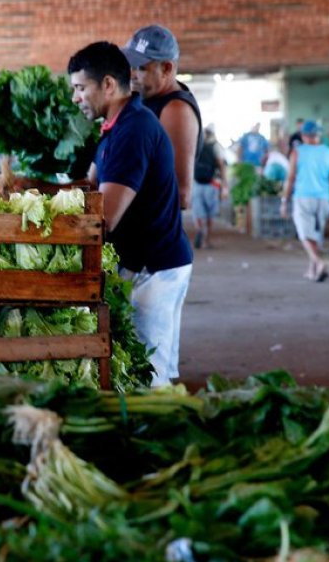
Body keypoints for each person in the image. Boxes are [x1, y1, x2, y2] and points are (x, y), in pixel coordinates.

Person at [69, 41, 192, 387]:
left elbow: (103, 217)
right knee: (147, 369)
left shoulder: (134, 130)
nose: (75, 97)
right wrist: (30, 188)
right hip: (143, 264)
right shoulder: (113, 128)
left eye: (80, 88)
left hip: (155, 268)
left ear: (108, 85)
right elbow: (88, 185)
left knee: (150, 377)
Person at [122, 24, 202, 210]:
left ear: (166, 68)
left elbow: (181, 194)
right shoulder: (150, 99)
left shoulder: (176, 110)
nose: (132, 75)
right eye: (131, 66)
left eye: (141, 68)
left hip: (154, 234)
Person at [280, 120, 329, 282]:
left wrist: (284, 201)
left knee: (304, 235)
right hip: (323, 198)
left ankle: (319, 263)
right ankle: (312, 270)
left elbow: (290, 178)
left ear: (303, 136)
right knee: (316, 235)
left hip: (303, 197)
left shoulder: (297, 152)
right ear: (319, 135)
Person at [192, 127, 228, 249]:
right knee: (210, 213)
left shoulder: (196, 145)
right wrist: (224, 183)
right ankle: (207, 240)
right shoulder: (215, 146)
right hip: (211, 183)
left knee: (198, 211)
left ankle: (199, 229)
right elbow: (221, 164)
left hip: (196, 183)